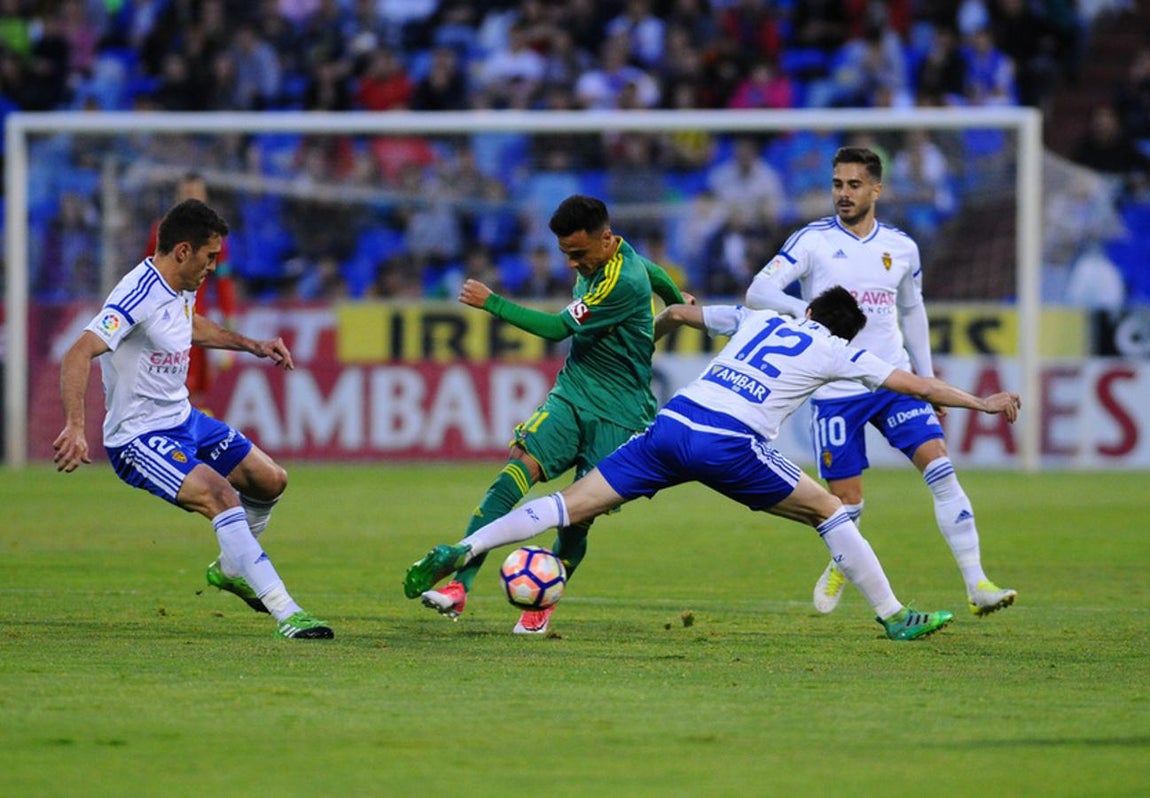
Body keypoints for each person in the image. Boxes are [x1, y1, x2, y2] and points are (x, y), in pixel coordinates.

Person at [404, 287, 1022, 641]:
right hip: (729, 441)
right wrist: (982, 402)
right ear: (843, 332)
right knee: (830, 509)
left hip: (674, 423)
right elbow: (917, 385)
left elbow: (678, 313)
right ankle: (894, 616)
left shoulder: (762, 317)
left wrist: (657, 331)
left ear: (808, 310)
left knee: (570, 504)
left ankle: (463, 549)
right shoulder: (839, 349)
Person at [745, 146, 1017, 618]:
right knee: (847, 505)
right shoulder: (811, 240)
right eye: (837, 184)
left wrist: (925, 377)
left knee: (940, 468)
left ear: (877, 189)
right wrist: (801, 310)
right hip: (835, 388)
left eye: (854, 185)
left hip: (892, 380)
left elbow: (912, 310)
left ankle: (978, 584)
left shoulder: (901, 247)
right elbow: (758, 290)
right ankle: (840, 561)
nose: (843, 194)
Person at [406, 194, 690, 635]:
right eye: (566, 254)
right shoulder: (619, 254)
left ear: (605, 239)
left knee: (578, 516)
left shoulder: (621, 281)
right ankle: (459, 585)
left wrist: (492, 303)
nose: (572, 264)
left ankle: (541, 605)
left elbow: (557, 329)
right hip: (573, 393)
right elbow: (654, 271)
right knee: (515, 472)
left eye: (578, 253)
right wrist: (677, 301)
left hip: (620, 414)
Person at [53, 198, 333, 640]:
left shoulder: (180, 286)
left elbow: (189, 325)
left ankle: (232, 568)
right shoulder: (137, 295)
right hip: (139, 437)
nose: (214, 267)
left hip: (183, 419)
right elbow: (78, 351)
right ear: (183, 251)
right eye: (210, 256)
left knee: (270, 480)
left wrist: (252, 345)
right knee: (221, 495)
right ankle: (287, 611)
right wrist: (74, 425)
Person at [145, 172, 238, 414]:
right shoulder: (160, 232)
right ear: (178, 197)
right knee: (168, 391)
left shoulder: (214, 238)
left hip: (194, 322)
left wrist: (229, 323)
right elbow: (146, 276)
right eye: (187, 193)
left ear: (205, 197)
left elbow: (223, 281)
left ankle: (190, 433)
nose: (192, 199)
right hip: (164, 322)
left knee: (196, 392)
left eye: (196, 194)